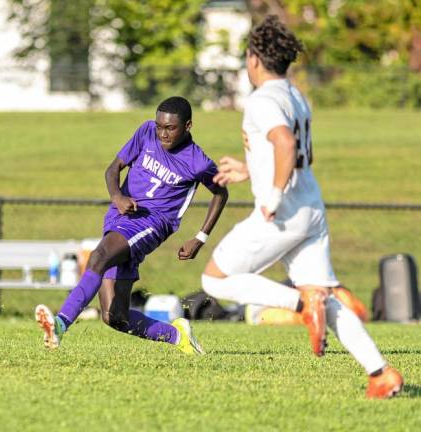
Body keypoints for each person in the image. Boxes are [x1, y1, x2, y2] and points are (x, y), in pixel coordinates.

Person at [199, 15, 402, 398]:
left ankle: (299, 303)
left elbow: (285, 145)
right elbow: (296, 151)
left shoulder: (263, 99)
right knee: (323, 298)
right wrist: (250, 169)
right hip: (311, 207)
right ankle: (380, 373)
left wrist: (271, 196)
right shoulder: (295, 95)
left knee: (213, 280)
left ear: (255, 59)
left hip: (284, 211)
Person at [36, 96, 228, 354]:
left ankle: (59, 325)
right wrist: (117, 196)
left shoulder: (198, 162)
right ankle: (177, 336)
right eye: (160, 126)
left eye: (170, 128)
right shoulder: (146, 132)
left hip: (151, 223)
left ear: (188, 126)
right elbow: (112, 169)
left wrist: (201, 237)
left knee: (99, 256)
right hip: (119, 217)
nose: (162, 133)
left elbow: (220, 193)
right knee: (115, 317)